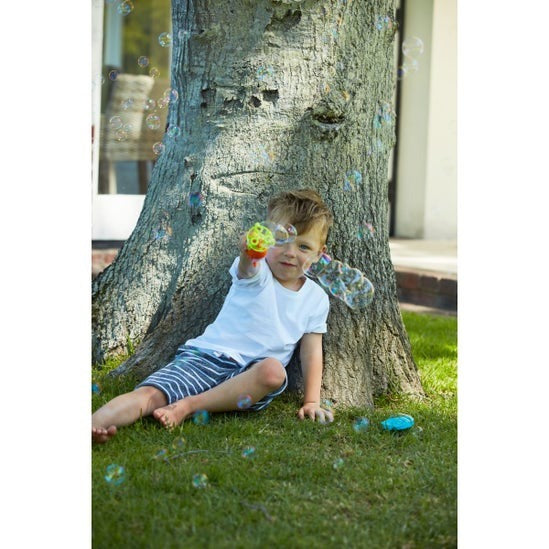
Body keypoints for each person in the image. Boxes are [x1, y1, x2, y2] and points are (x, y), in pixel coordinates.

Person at [92, 188, 334, 443]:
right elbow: (247, 264)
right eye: (281, 240)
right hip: (207, 358)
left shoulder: (316, 298)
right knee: (151, 394)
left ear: (320, 253)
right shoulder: (259, 273)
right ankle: (94, 424)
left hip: (251, 377)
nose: (290, 252)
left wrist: (312, 401)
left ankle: (188, 405)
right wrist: (250, 250)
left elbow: (311, 351)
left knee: (274, 371)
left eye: (304, 246)